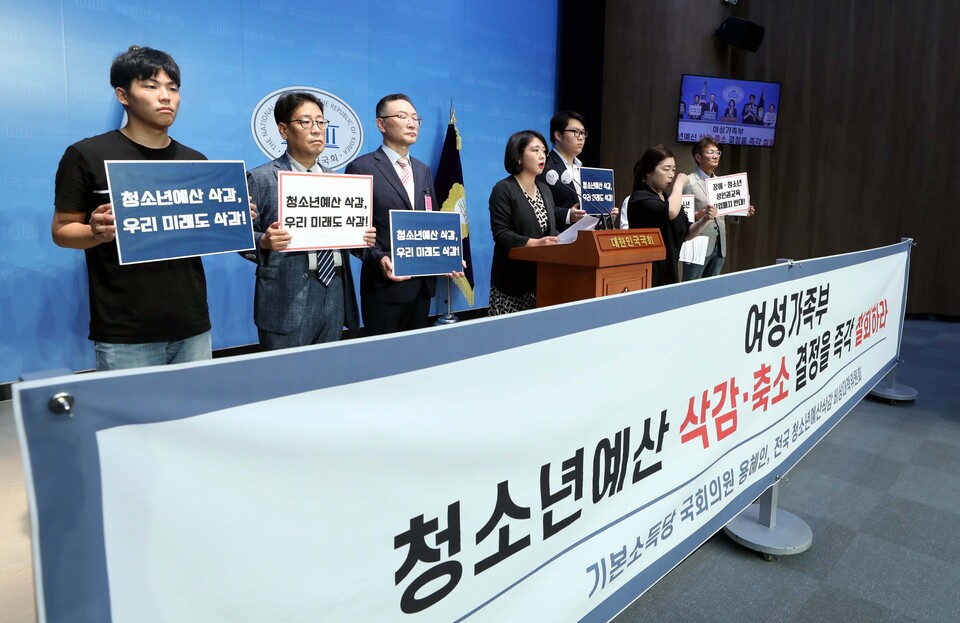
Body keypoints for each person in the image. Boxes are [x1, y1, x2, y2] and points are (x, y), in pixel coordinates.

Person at [51, 46, 212, 371]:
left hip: (193, 323)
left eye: (173, 88)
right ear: (123, 95)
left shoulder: (196, 161)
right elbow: (62, 230)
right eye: (151, 86)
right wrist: (95, 232)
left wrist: (235, 218)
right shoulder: (87, 155)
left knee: (196, 406)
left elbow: (203, 230)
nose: (165, 97)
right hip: (125, 330)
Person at [245, 92, 375, 350]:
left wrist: (361, 239)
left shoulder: (340, 182)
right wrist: (264, 242)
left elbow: (346, 239)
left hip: (334, 291)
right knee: (285, 372)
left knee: (328, 371)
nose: (316, 130)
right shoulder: (260, 178)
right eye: (305, 122)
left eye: (320, 122)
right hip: (285, 297)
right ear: (284, 130)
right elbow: (240, 237)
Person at [345, 94, 462, 335]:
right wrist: (379, 259)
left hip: (422, 287)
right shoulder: (361, 168)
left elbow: (432, 223)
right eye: (402, 116)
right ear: (381, 124)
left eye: (415, 118)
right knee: (383, 354)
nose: (411, 123)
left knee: (416, 352)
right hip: (384, 287)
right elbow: (352, 232)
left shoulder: (423, 170)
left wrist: (447, 256)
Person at [489, 130, 559, 314]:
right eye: (535, 150)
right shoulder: (503, 189)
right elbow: (501, 234)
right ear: (518, 157)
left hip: (541, 279)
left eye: (544, 151)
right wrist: (535, 243)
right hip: (512, 282)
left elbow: (548, 230)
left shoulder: (545, 190)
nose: (542, 155)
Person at [626, 145, 715, 287]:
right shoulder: (640, 198)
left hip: (670, 272)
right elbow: (670, 212)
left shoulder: (669, 199)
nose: (671, 174)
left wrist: (704, 219)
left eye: (673, 169)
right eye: (666, 169)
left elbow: (687, 234)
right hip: (647, 274)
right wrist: (679, 184)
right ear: (648, 172)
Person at [681, 137, 756, 281]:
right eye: (711, 152)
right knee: (690, 286)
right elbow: (683, 217)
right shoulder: (689, 182)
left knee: (713, 287)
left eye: (718, 153)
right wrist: (700, 214)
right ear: (698, 157)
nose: (716, 156)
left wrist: (741, 211)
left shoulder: (721, 184)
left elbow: (722, 213)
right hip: (697, 244)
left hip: (719, 245)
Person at [538, 111, 618, 230]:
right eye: (575, 132)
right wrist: (568, 215)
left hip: (586, 237)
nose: (581, 137)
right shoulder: (545, 167)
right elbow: (538, 209)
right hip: (558, 236)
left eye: (583, 133)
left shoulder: (584, 170)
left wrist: (606, 214)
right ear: (558, 135)